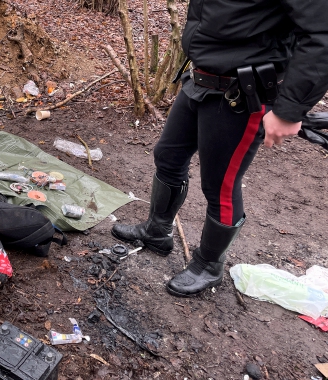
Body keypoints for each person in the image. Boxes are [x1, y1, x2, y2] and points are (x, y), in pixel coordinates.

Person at [111, 0, 328, 297]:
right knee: (168, 157)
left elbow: (321, 36)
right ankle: (157, 231)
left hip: (242, 93)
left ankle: (209, 265)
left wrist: (290, 110)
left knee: (220, 186)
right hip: (200, 79)